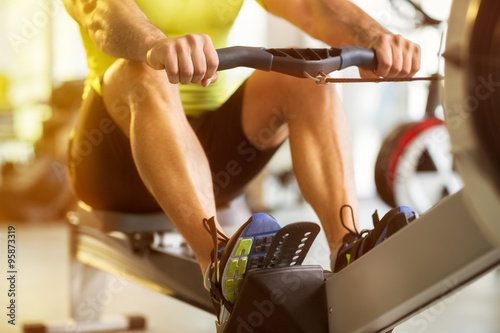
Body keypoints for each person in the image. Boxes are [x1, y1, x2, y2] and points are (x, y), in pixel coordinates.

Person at [62, 0, 420, 326]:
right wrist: (154, 43)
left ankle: (349, 251)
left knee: (308, 77)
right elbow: (101, 14)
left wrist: (375, 37)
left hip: (210, 163)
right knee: (144, 72)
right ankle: (220, 266)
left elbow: (312, 7)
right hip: (112, 163)